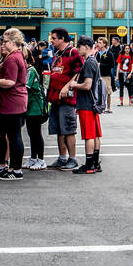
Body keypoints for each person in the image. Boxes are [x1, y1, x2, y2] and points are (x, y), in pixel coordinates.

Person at [0, 28, 29, 180]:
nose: (2, 43)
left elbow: (10, 82)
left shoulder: (13, 58)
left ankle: (16, 169)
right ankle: (2, 165)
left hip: (11, 102)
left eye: (5, 41)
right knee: (2, 135)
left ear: (12, 42)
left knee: (13, 136)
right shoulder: (13, 56)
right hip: (7, 102)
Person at [64, 36, 103, 174]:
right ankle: (95, 163)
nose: (77, 49)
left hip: (87, 103)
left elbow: (87, 85)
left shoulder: (88, 63)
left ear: (86, 47)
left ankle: (89, 165)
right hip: (93, 103)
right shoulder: (93, 61)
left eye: (79, 46)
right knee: (96, 134)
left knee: (89, 136)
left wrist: (75, 84)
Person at [46, 28, 84, 170]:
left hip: (67, 99)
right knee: (59, 129)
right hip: (55, 97)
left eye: (54, 38)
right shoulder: (57, 53)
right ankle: (62, 158)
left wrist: (67, 86)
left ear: (62, 39)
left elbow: (79, 71)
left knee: (68, 129)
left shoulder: (72, 52)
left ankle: (72, 159)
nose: (52, 40)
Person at [23, 42, 49, 170]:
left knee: (36, 134)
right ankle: (33, 158)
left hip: (35, 107)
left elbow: (25, 88)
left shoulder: (31, 70)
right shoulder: (26, 70)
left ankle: (41, 160)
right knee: (31, 133)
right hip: (29, 107)